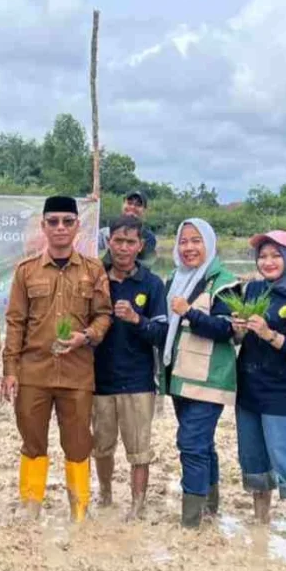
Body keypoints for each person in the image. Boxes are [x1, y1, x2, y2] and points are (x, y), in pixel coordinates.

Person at [2, 195, 112, 521]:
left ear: (78, 226)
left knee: (79, 443)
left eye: (67, 221)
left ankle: (79, 508)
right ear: (44, 227)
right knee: (32, 440)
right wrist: (10, 370)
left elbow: (104, 315)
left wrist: (87, 336)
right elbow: (15, 323)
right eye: (53, 222)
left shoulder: (93, 270)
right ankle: (31, 505)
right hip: (34, 372)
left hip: (77, 375)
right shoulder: (26, 271)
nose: (60, 228)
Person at [232, 231, 286, 537]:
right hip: (248, 389)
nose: (268, 262)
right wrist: (239, 329)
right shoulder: (253, 289)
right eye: (263, 256)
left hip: (283, 392)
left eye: (275, 255)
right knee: (253, 459)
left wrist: (269, 334)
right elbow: (239, 340)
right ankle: (260, 521)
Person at [162, 218, 238, 527]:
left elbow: (228, 329)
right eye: (183, 241)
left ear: (209, 244)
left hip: (209, 378)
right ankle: (210, 506)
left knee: (191, 443)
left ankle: (191, 520)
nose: (189, 247)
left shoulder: (224, 281)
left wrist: (189, 312)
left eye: (196, 241)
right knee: (202, 444)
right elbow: (167, 327)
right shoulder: (175, 278)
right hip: (180, 376)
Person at [92, 214, 167, 519]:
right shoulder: (95, 278)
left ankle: (137, 506)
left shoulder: (152, 284)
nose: (123, 248)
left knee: (139, 450)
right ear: (109, 242)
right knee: (101, 447)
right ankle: (106, 496)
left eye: (130, 242)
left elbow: (162, 334)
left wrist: (137, 319)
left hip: (138, 381)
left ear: (141, 246)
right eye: (118, 241)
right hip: (99, 380)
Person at [97, 191, 158, 265]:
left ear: (145, 210)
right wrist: (91, 207)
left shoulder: (148, 238)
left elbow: (143, 266)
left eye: (138, 205)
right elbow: (85, 243)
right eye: (129, 203)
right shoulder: (105, 232)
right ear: (123, 205)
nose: (132, 207)